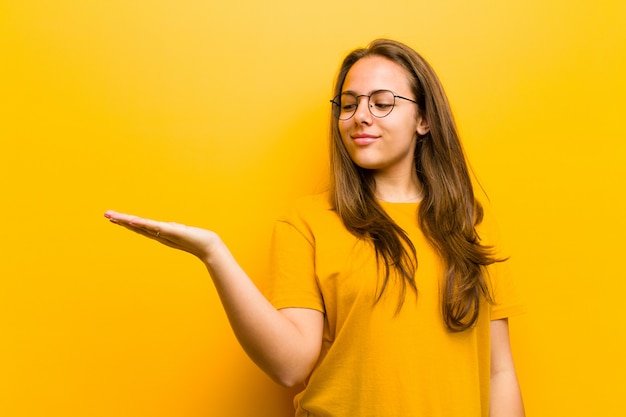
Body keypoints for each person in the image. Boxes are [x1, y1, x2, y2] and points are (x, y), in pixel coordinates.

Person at [105, 39, 525, 417]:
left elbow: (498, 372)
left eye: (381, 102)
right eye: (348, 104)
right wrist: (213, 253)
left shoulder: (468, 224)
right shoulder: (307, 222)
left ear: (424, 120)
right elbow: (290, 365)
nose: (360, 116)